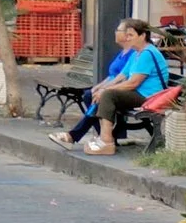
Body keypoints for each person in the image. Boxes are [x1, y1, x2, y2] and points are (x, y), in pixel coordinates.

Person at [55, 18, 167, 156]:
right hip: (138, 94)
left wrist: (106, 91)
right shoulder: (137, 53)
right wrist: (101, 88)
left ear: (143, 35)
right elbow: (122, 75)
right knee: (97, 94)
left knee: (109, 95)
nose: (127, 38)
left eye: (131, 35)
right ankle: (102, 137)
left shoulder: (147, 53)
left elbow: (133, 83)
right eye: (127, 35)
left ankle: (107, 142)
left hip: (149, 97)